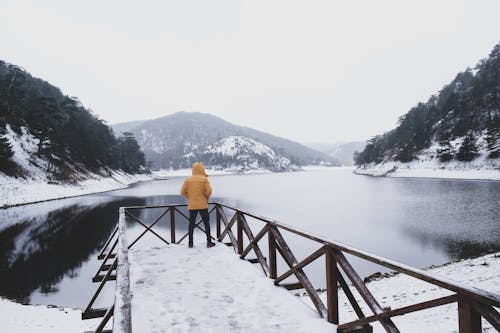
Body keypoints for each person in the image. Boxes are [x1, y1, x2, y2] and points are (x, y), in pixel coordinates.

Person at [180, 162, 215, 248]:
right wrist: (206, 197)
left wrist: (189, 197)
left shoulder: (187, 180)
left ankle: (190, 243)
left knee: (191, 224)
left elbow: (182, 192)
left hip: (192, 205)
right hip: (203, 205)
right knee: (206, 224)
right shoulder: (204, 179)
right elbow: (209, 191)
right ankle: (209, 242)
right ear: (200, 169)